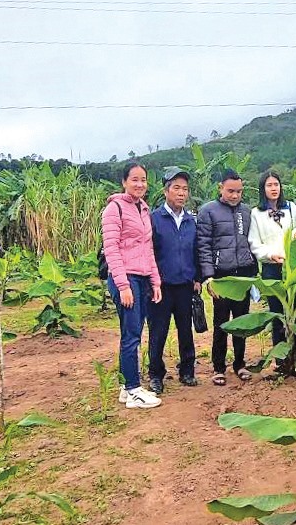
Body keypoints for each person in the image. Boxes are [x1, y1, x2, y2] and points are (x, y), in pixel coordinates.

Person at [101, 162, 163, 409]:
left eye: (144, 180)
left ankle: (127, 388)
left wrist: (155, 281)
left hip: (142, 277)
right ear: (124, 182)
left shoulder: (143, 210)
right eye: (134, 179)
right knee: (131, 334)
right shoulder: (114, 209)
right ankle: (133, 389)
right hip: (125, 277)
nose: (140, 184)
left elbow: (148, 248)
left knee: (134, 331)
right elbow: (111, 249)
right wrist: (123, 285)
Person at [196, 169, 258, 386]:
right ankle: (218, 367)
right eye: (230, 191)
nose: (235, 195)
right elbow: (203, 246)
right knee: (221, 323)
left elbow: (253, 242)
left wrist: (254, 274)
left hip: (243, 276)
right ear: (220, 188)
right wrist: (208, 277)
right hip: (221, 278)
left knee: (242, 323)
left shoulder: (247, 212)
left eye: (239, 191)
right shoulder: (208, 212)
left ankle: (240, 364)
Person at [148, 167, 201, 394]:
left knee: (185, 330)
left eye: (185, 189)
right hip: (160, 286)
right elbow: (148, 251)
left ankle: (187, 370)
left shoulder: (191, 221)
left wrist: (198, 277)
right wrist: (152, 280)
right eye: (176, 188)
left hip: (185, 284)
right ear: (166, 191)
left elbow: (196, 251)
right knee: (158, 331)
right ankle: (156, 375)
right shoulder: (154, 219)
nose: (181, 193)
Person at [248, 171, 296, 357]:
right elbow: (254, 242)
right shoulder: (256, 213)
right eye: (269, 185)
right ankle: (281, 359)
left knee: (294, 313)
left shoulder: (291, 207)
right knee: (277, 313)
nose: (274, 188)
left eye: (276, 185)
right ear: (263, 189)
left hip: (291, 267)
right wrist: (269, 255)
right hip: (271, 268)